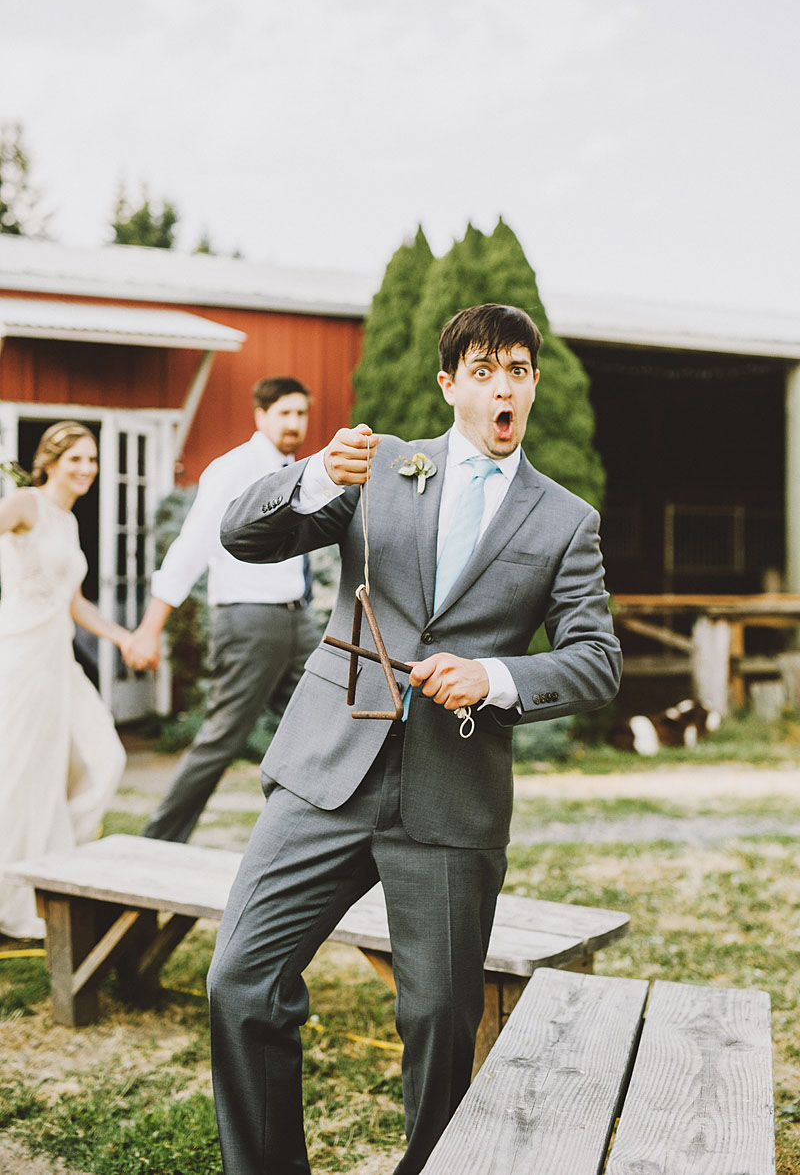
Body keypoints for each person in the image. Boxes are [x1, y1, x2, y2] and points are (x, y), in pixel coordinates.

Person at [207, 304, 623, 1175]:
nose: (502, 384)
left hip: (450, 792)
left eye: (516, 368)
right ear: (450, 385)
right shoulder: (381, 466)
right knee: (240, 982)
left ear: (534, 383)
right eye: (482, 369)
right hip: (327, 769)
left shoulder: (565, 519)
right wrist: (316, 473)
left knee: (438, 1022)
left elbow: (596, 662)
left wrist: (497, 677)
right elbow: (245, 535)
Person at [127, 377, 319, 843]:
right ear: (261, 415)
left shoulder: (299, 469)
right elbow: (190, 548)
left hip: (299, 620)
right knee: (224, 738)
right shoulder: (233, 469)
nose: (295, 423)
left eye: (301, 414)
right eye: (284, 414)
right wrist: (150, 628)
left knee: (324, 716)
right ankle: (159, 842)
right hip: (250, 620)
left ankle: (309, 833)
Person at [0, 421, 129, 940]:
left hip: (59, 658)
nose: (86, 469)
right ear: (50, 459)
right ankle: (19, 892)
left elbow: (73, 602)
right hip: (22, 653)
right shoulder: (26, 504)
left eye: (92, 460)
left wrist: (122, 638)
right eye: (76, 458)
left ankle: (52, 873)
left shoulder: (69, 522)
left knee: (105, 760)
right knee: (23, 776)